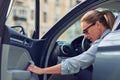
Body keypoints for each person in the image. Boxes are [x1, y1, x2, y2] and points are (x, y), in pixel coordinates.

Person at [28, 10, 115, 76]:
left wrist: (42, 71)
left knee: (70, 75)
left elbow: (76, 63)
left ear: (97, 25)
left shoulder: (103, 43)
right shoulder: (111, 38)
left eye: (86, 31)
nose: (85, 36)